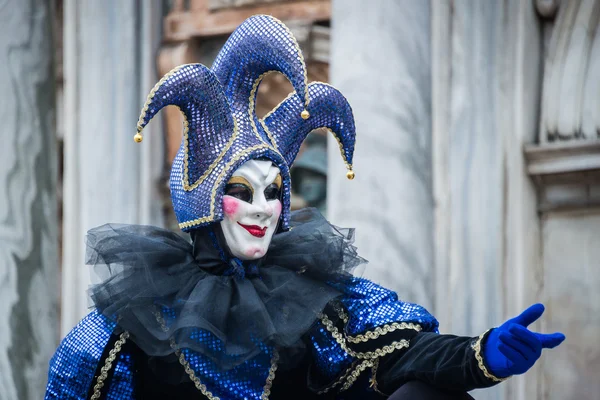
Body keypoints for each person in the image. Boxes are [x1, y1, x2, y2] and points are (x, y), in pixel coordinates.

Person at [44, 15, 564, 400]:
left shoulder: (305, 297)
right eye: (244, 191)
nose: (265, 208)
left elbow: (398, 356)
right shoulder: (127, 325)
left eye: (275, 191)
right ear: (203, 199)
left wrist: (482, 353)